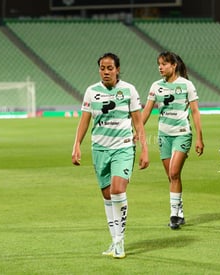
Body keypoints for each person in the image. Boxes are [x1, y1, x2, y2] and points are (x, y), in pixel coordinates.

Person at [72, 53, 149, 258]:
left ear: (117, 70)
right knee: (107, 196)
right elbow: (84, 121)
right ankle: (114, 240)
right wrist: (76, 145)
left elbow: (138, 122)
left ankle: (120, 242)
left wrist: (145, 149)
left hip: (123, 147)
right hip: (99, 149)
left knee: (117, 190)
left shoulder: (129, 90)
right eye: (102, 68)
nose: (106, 72)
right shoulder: (91, 92)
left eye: (110, 68)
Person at [142, 51, 204, 230]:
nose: (160, 67)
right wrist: (137, 130)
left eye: (164, 64)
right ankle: (180, 210)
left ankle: (174, 215)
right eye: (159, 64)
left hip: (182, 133)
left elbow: (195, 112)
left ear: (173, 65)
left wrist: (200, 137)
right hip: (164, 135)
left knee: (174, 172)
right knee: (171, 176)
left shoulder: (186, 85)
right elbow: (146, 110)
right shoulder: (156, 86)